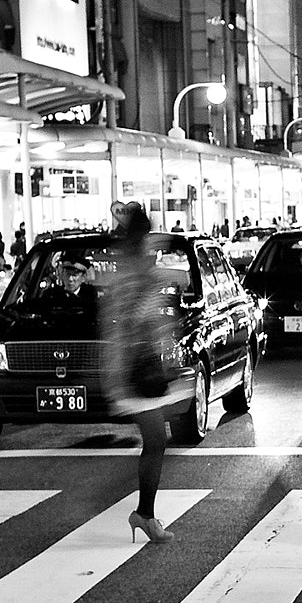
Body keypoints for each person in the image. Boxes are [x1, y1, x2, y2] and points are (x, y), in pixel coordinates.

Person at [101, 202, 182, 545]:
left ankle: (144, 513)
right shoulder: (138, 270)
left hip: (126, 365)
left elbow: (113, 321)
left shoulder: (121, 267)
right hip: (138, 368)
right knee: (156, 439)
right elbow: (149, 318)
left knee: (155, 439)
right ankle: (144, 515)